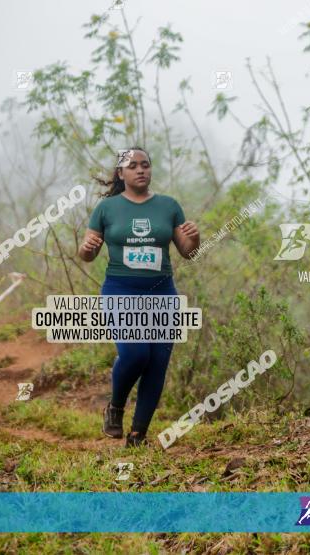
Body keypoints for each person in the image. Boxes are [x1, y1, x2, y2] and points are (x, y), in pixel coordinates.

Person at [78, 148, 199, 447]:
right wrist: (89, 247)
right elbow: (86, 254)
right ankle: (115, 407)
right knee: (135, 354)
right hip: (120, 291)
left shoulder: (168, 206)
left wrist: (195, 238)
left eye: (145, 164)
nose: (140, 170)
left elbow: (189, 252)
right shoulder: (107, 209)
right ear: (121, 174)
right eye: (132, 166)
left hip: (162, 294)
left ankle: (137, 435)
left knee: (157, 362)